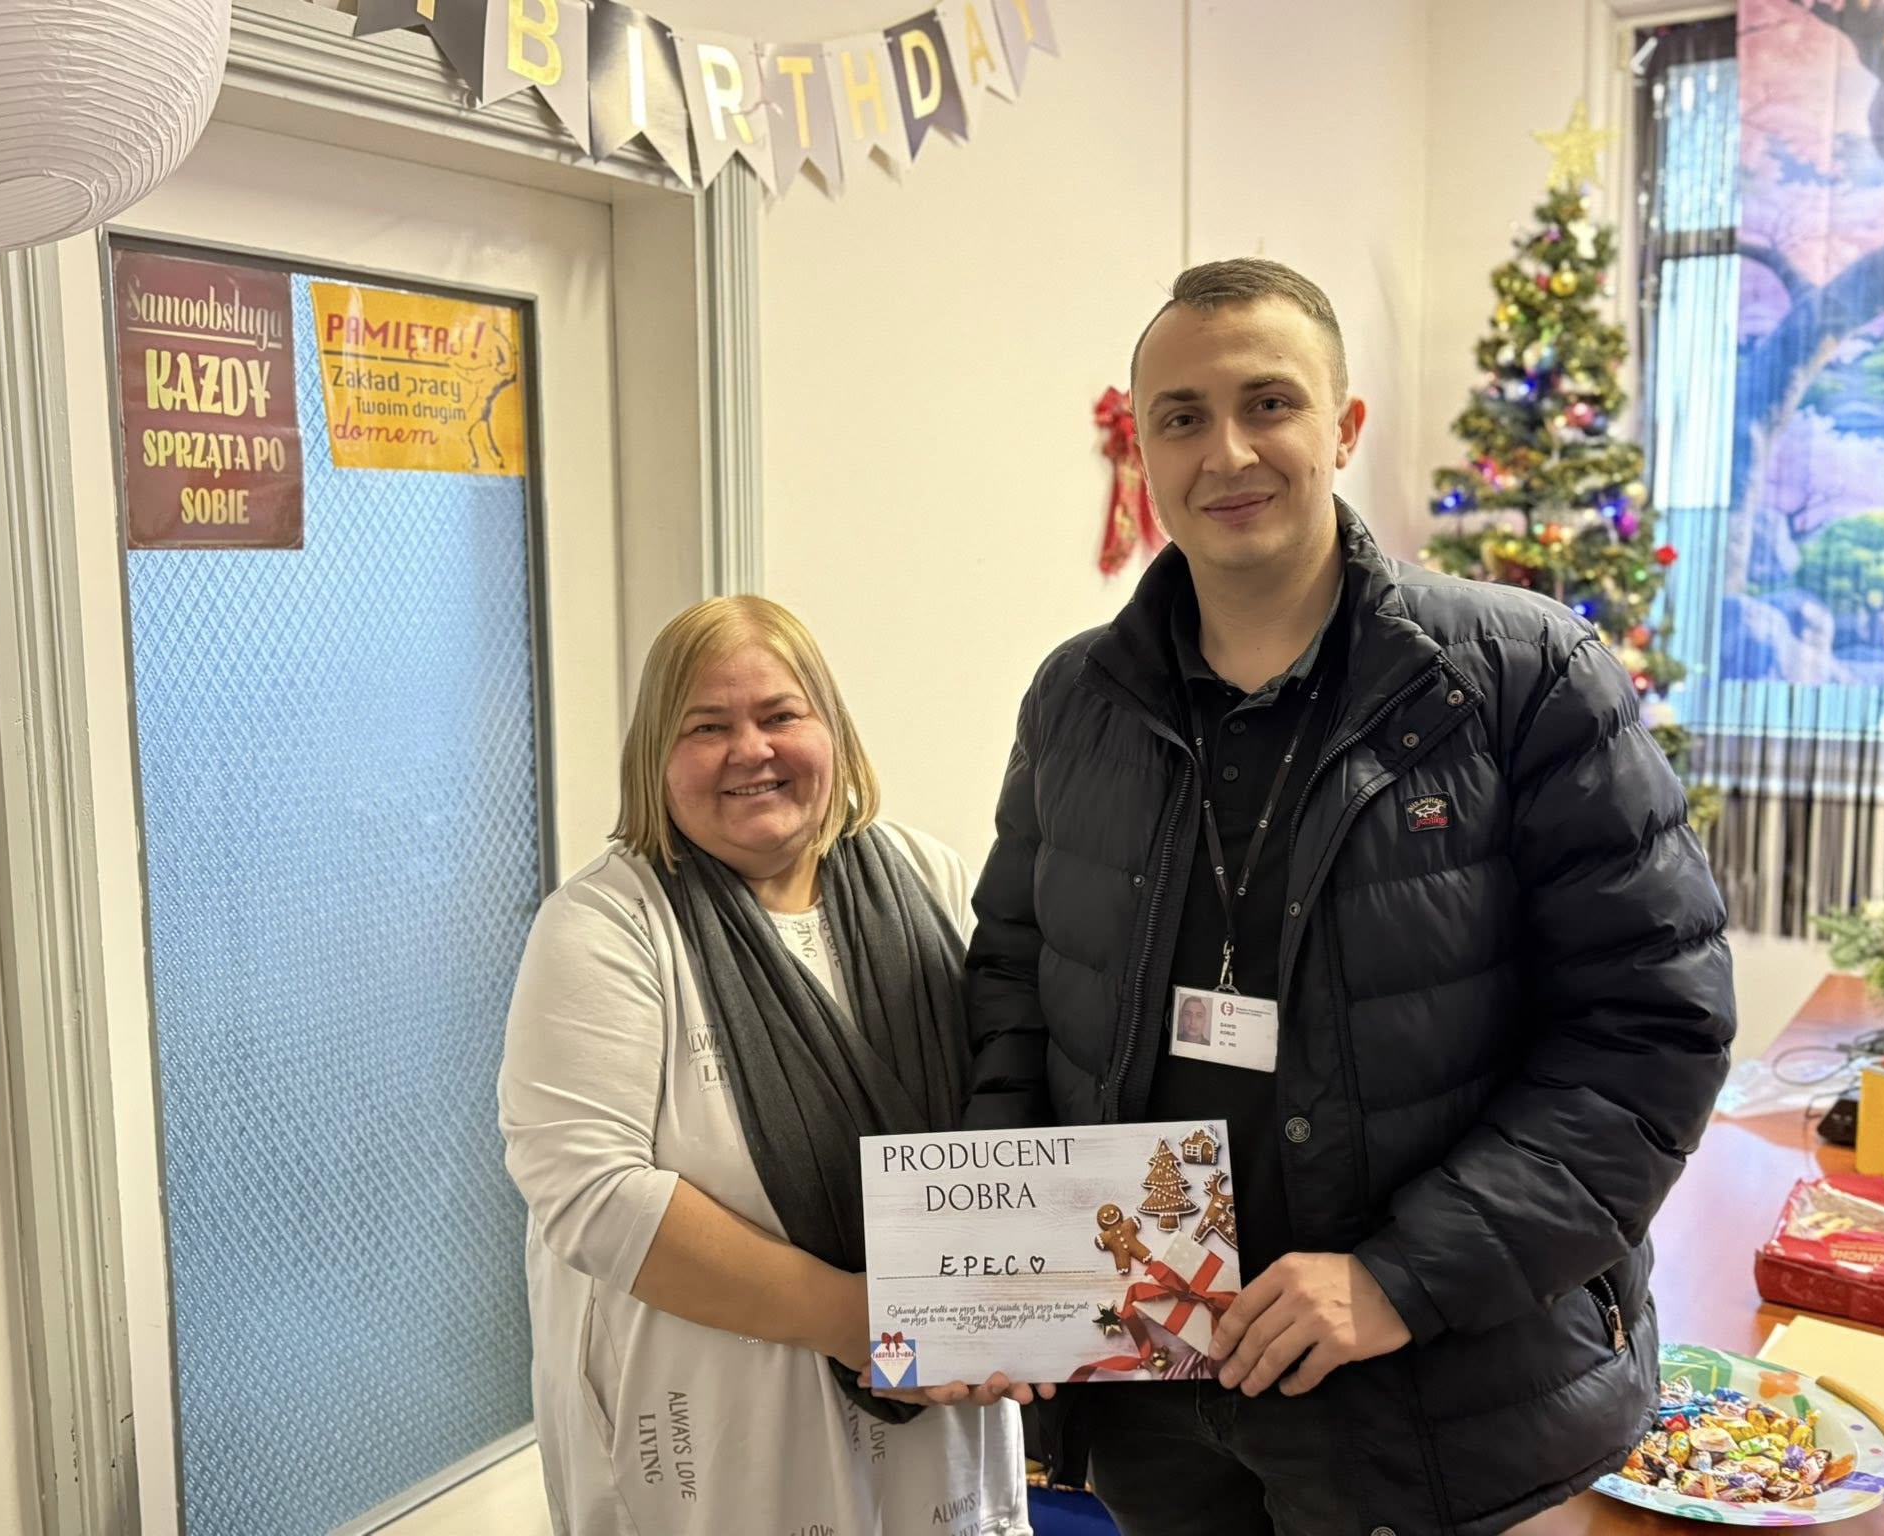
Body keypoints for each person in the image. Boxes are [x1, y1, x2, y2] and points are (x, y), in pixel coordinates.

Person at [962, 259, 1735, 1535]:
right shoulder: (1074, 702)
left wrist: (1398, 1278)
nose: (1226, 451)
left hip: (1438, 1400)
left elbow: (1651, 1030)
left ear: (1343, 427)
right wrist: (1009, 1268)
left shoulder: (1523, 677)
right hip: (1156, 1400)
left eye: (1268, 403)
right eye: (1181, 417)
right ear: (1142, 451)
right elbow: (1010, 987)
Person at [500, 595, 1029, 1535]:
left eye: (781, 714)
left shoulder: (929, 877)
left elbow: (1006, 1109)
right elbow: (589, 1191)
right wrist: (859, 1319)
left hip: (942, 1398)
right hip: (718, 1424)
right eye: (707, 727)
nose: (751, 750)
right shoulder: (605, 927)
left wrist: (1024, 1306)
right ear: (656, 757)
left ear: (834, 730)